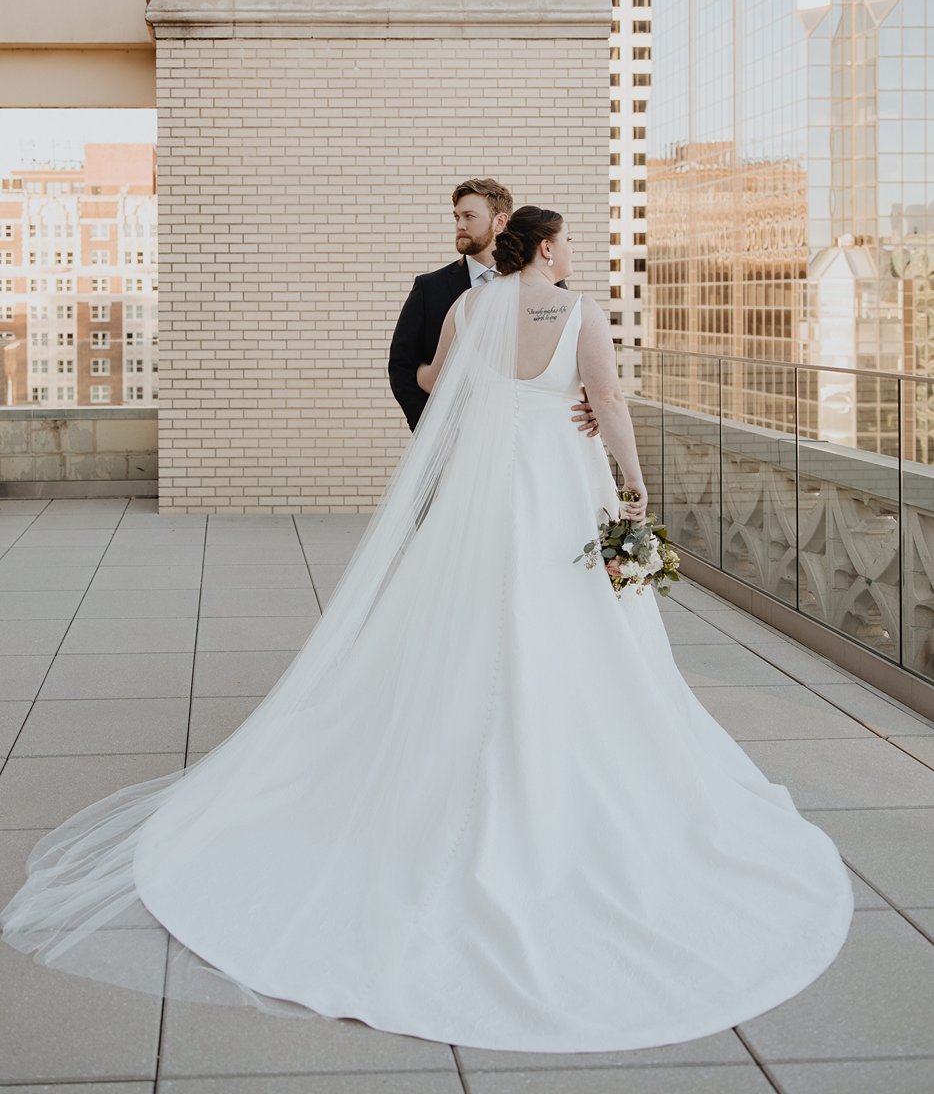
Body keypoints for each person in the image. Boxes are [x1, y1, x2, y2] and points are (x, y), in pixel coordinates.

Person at [1, 206, 853, 1053]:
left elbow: (434, 387)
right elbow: (612, 404)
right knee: (569, 615)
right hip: (559, 478)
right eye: (567, 244)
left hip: (488, 492)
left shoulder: (471, 305)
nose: (570, 255)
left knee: (474, 607)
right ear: (550, 247)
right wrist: (630, 483)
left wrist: (502, 404)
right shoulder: (580, 311)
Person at [389, 176, 598, 439]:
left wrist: (592, 400)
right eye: (456, 217)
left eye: (469, 216)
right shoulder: (429, 288)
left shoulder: (551, 286)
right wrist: (432, 436)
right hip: (459, 442)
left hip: (535, 437)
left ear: (500, 222)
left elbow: (570, 350)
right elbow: (402, 367)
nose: (460, 225)